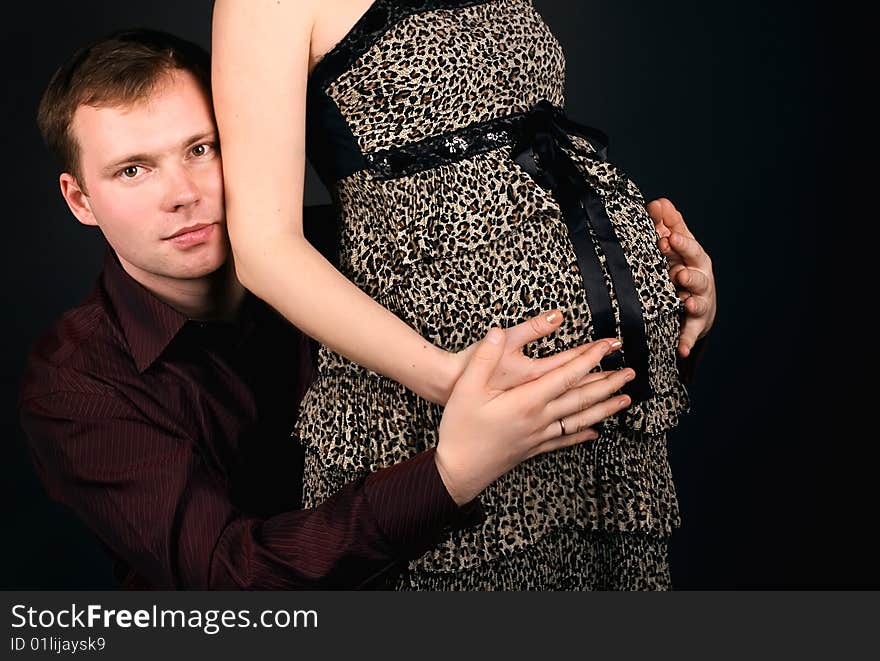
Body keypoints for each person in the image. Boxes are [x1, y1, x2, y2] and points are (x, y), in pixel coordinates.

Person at [18, 28, 648, 589]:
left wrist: (658, 299)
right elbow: (230, 577)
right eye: (133, 171)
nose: (181, 194)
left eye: (200, 149)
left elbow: (546, 383)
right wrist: (450, 474)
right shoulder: (74, 385)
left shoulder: (352, 255)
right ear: (79, 200)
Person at [211, 0, 717, 589]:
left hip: (597, 411)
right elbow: (264, 248)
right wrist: (450, 378)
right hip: (446, 406)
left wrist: (666, 281)